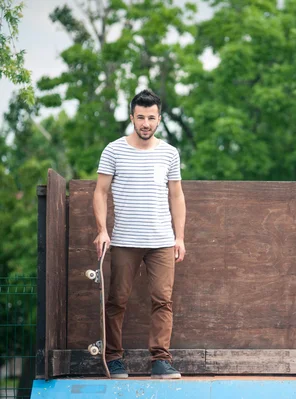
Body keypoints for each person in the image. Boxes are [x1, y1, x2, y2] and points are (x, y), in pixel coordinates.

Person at [93, 89, 186, 379]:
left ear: (159, 119)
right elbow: (100, 192)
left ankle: (161, 360)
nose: (146, 123)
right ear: (132, 117)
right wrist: (102, 230)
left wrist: (179, 237)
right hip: (124, 241)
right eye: (141, 117)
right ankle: (114, 358)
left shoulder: (170, 153)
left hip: (161, 242)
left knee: (163, 300)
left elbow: (177, 196)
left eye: (151, 118)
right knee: (117, 301)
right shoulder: (114, 150)